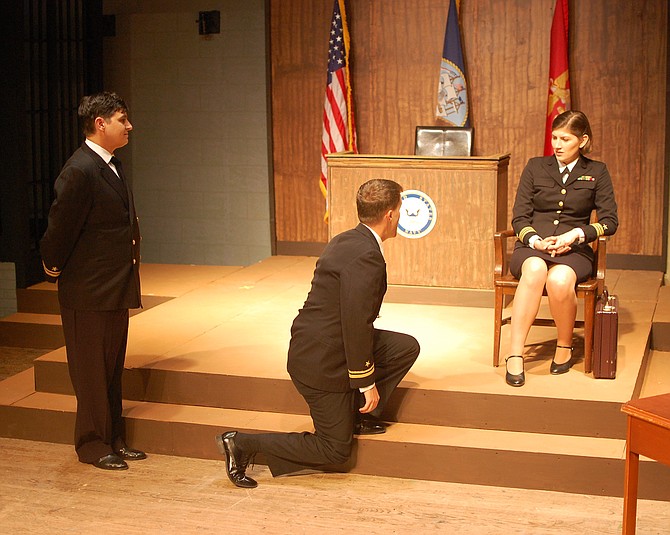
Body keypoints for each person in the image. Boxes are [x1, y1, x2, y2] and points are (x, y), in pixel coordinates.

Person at [215, 178, 420, 488]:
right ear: (390, 215)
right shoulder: (366, 255)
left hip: (321, 341)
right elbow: (356, 324)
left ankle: (357, 416)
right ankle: (242, 443)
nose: (401, 216)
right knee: (336, 449)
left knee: (403, 347)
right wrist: (367, 383)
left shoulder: (347, 239)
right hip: (320, 361)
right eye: (401, 210)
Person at [40, 92, 146, 469]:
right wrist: (52, 267)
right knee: (90, 373)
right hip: (87, 291)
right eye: (122, 119)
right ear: (100, 124)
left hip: (112, 288)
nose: (129, 125)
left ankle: (113, 438)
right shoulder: (80, 169)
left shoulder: (109, 165)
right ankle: (91, 444)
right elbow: (60, 229)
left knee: (111, 370)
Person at [505, 110, 618, 387]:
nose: (557, 144)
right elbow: (519, 217)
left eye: (565, 139)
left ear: (582, 140)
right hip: (533, 246)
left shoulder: (596, 171)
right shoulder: (535, 167)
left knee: (559, 279)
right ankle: (515, 353)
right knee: (534, 269)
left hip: (574, 250)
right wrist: (534, 240)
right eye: (554, 137)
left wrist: (576, 235)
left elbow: (610, 221)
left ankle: (564, 346)